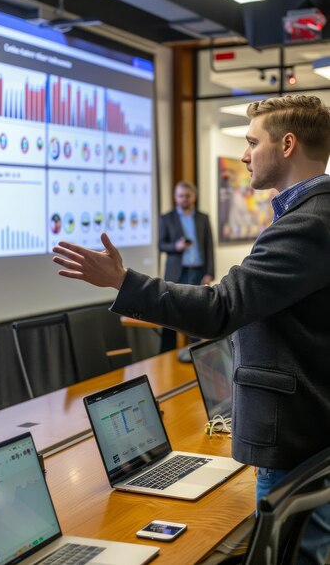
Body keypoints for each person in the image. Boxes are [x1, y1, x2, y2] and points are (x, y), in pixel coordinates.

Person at [53, 94, 330, 564]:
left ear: (287, 144)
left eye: (250, 142)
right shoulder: (308, 215)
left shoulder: (309, 222)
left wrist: (124, 283)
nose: (243, 154)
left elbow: (222, 307)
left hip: (294, 439)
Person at [158, 181, 214, 354]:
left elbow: (209, 246)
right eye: (180, 196)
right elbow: (161, 245)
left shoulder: (202, 218)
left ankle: (197, 353)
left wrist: (210, 272)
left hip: (198, 272)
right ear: (175, 197)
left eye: (187, 196)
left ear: (193, 197)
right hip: (177, 273)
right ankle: (167, 354)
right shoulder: (167, 218)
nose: (184, 199)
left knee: (197, 314)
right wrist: (177, 247)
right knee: (170, 316)